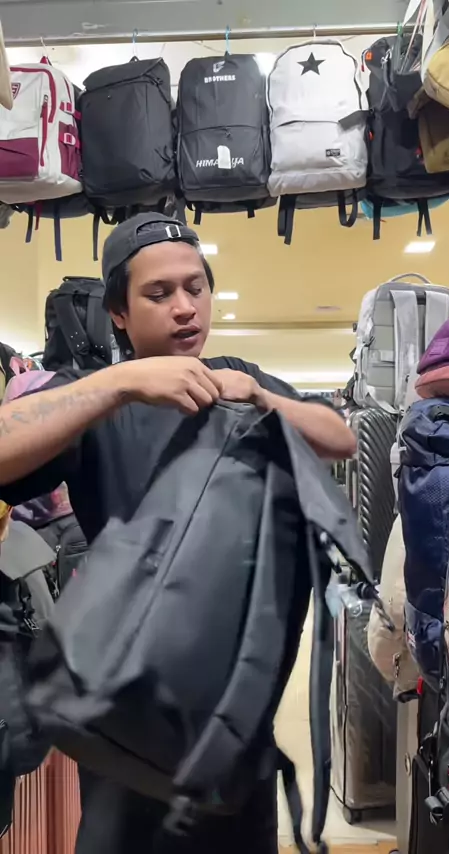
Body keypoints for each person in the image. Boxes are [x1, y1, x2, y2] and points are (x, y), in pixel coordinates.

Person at [0, 213, 356, 854]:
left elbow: (340, 439)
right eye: (158, 294)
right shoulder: (96, 398)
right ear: (118, 313)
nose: (185, 307)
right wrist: (119, 383)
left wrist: (262, 397)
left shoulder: (238, 377)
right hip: (127, 716)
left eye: (196, 287)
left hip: (236, 714)